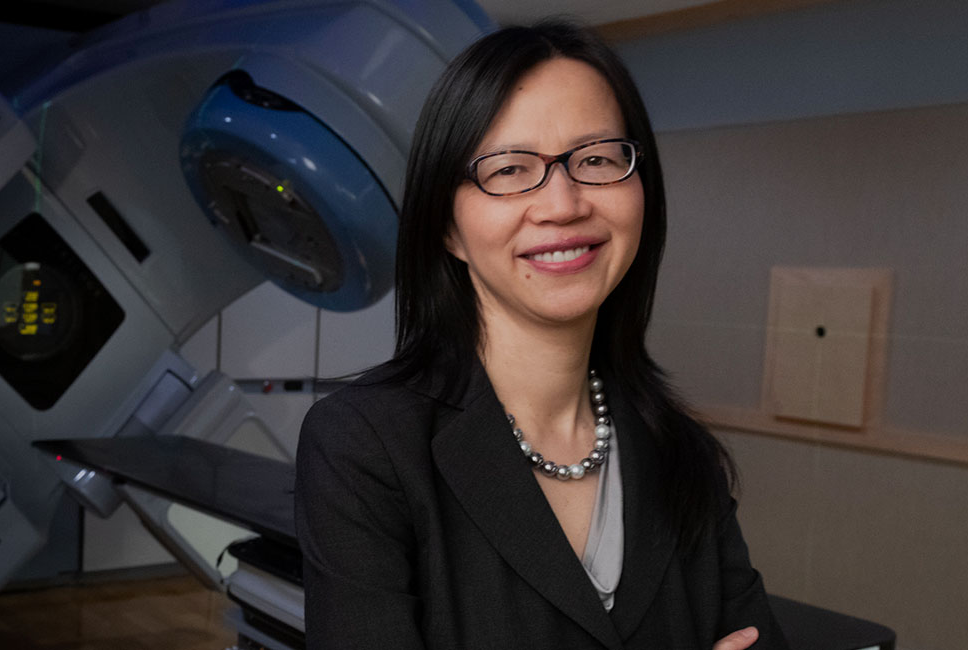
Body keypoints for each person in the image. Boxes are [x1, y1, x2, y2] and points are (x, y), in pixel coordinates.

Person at [293, 19, 788, 650]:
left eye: (598, 159)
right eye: (509, 168)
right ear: (447, 227)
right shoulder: (364, 448)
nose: (563, 203)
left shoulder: (681, 454)